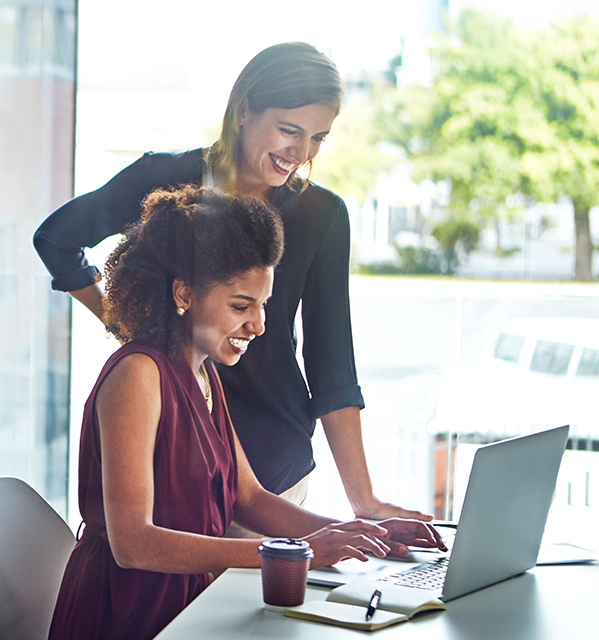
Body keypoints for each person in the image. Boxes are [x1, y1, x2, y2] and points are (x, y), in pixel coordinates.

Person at [33, 41, 427, 522]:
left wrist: (364, 502)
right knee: (165, 588)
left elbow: (331, 365)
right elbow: (57, 240)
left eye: (318, 137)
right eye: (289, 130)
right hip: (172, 445)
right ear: (244, 111)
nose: (300, 153)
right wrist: (135, 327)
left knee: (257, 597)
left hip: (271, 458)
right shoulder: (165, 180)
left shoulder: (321, 215)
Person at [45, 187, 443, 640]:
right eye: (241, 306)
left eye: (263, 305)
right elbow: (134, 544)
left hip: (189, 602)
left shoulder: (203, 372)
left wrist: (362, 533)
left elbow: (248, 497)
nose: (258, 325)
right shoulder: (139, 375)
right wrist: (294, 550)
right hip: (129, 613)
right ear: (183, 293)